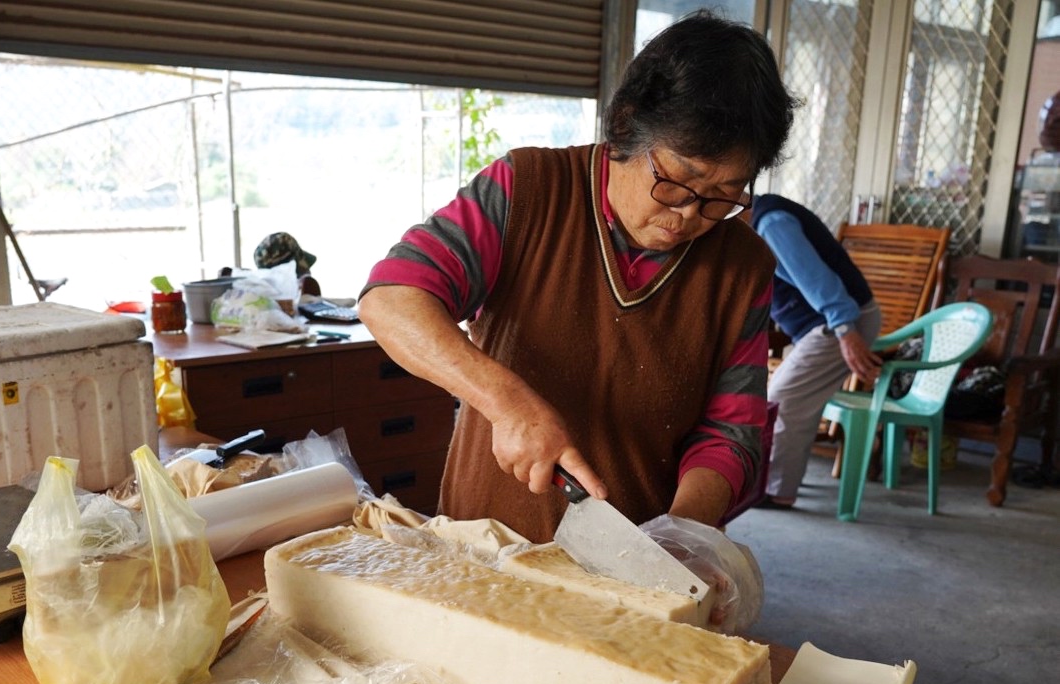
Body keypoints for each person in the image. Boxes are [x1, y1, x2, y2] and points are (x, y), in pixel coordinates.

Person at [357, 11, 797, 543]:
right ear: (625, 127)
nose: (689, 215)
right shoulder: (528, 191)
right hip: (485, 541)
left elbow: (730, 432)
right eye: (679, 182)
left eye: (723, 197)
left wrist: (681, 535)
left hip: (637, 556)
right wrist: (506, 402)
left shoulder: (742, 266)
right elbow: (393, 299)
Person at [750, 194, 883, 509]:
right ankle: (776, 483)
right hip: (825, 325)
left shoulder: (772, 224)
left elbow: (820, 282)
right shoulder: (759, 223)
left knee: (782, 400)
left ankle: (777, 491)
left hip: (839, 324)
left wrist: (846, 333)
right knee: (787, 397)